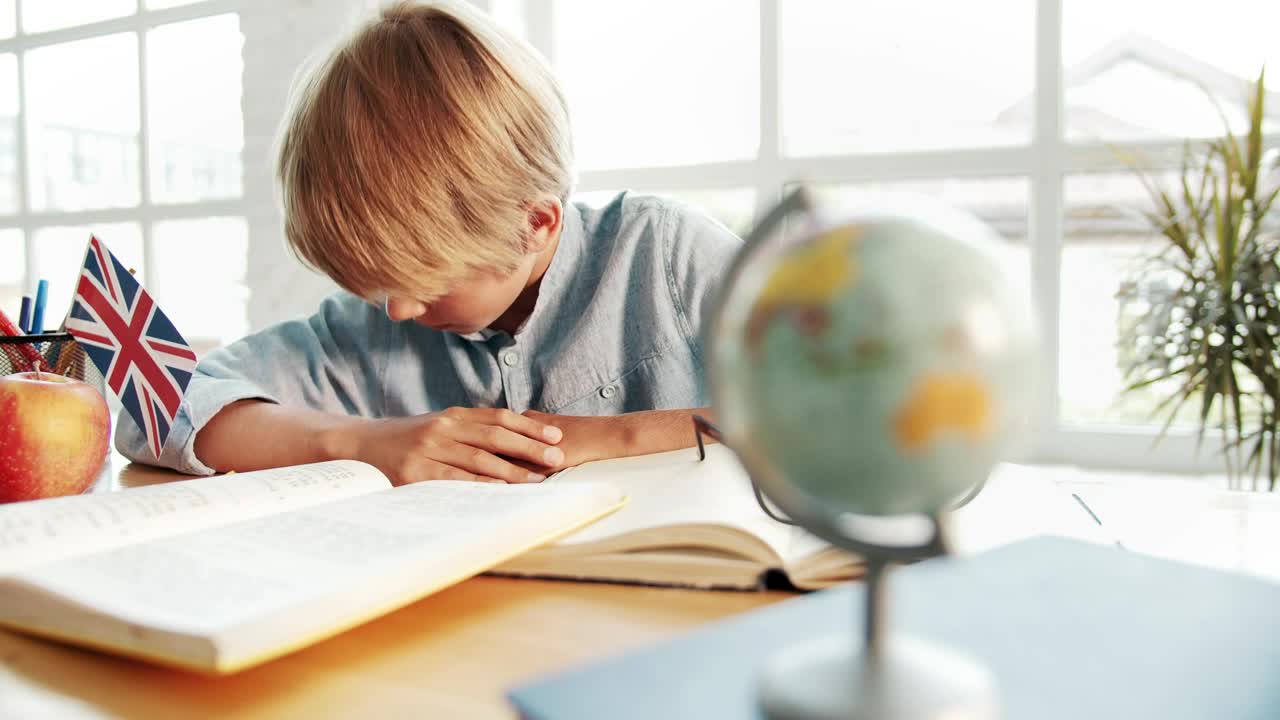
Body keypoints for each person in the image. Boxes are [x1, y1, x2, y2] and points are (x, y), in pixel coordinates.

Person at [118, 0, 741, 485]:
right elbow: (157, 405)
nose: (397, 310)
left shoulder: (668, 255)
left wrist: (615, 438)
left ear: (535, 223)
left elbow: (807, 408)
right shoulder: (367, 330)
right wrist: (362, 443)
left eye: (428, 279)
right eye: (381, 282)